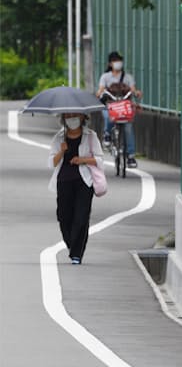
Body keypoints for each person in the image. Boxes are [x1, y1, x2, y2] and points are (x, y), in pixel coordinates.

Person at [48, 113, 103, 265]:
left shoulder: (91, 136)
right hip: (63, 182)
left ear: (82, 117)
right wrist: (61, 151)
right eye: (68, 115)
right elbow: (51, 162)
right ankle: (72, 245)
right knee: (63, 216)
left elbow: (99, 159)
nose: (71, 118)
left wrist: (83, 160)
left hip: (84, 182)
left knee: (81, 217)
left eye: (75, 115)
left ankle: (77, 253)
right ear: (63, 118)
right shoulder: (59, 137)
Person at [96, 51, 142, 168]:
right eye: (115, 61)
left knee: (128, 127)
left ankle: (131, 156)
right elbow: (100, 89)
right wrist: (100, 93)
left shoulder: (127, 77)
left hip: (124, 107)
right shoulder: (105, 77)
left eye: (119, 60)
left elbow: (133, 89)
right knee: (108, 116)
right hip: (110, 105)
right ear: (110, 63)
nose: (118, 63)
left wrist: (136, 93)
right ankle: (107, 134)